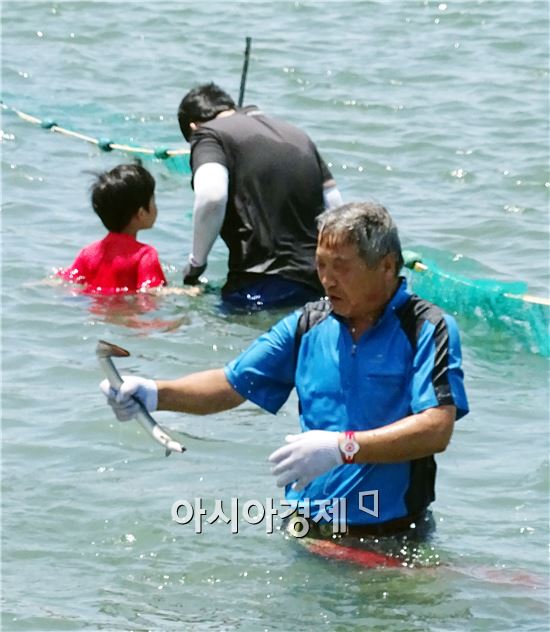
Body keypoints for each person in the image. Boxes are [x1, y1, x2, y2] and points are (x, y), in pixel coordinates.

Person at [100, 202, 469, 540]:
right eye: (321, 264)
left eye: (341, 266)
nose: (327, 279)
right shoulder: (309, 324)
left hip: (391, 533)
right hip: (306, 526)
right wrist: (153, 393)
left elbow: (436, 428)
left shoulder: (425, 328)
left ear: (386, 266)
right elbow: (230, 384)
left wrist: (343, 448)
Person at [177, 82, 343, 310]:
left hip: (257, 287)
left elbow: (212, 197)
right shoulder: (297, 134)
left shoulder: (208, 134)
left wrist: (196, 264)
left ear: (193, 127)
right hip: (316, 284)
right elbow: (335, 206)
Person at [59, 163, 167, 295]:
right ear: (141, 213)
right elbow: (152, 292)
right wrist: (186, 292)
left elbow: (66, 280)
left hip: (96, 314)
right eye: (153, 201)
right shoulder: (145, 255)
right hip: (129, 313)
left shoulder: (88, 253)